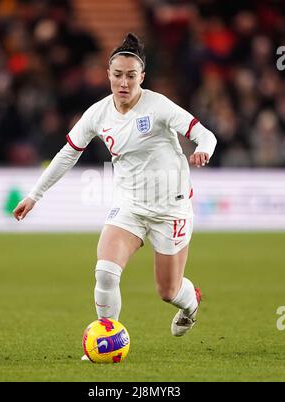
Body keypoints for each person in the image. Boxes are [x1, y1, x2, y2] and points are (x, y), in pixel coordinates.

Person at [13, 33, 217, 347]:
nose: (123, 83)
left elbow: (206, 135)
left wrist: (204, 149)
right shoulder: (97, 113)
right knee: (105, 273)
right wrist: (34, 195)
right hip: (129, 206)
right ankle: (108, 342)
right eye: (118, 75)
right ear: (109, 75)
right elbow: (68, 153)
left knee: (168, 292)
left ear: (142, 77)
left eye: (131, 76)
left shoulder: (159, 106)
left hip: (171, 208)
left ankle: (191, 304)